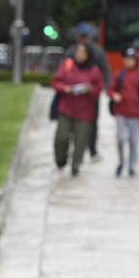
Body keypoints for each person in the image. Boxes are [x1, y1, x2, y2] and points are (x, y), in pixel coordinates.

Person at [51, 42, 103, 177]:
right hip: (66, 108)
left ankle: (75, 167)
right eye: (77, 51)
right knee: (61, 138)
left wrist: (90, 89)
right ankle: (60, 162)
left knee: (80, 142)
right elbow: (56, 82)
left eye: (82, 52)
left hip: (85, 112)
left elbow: (98, 90)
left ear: (88, 55)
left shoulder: (94, 70)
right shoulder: (67, 65)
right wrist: (65, 88)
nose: (78, 54)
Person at [66, 22, 110, 162]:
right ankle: (78, 148)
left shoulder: (97, 51)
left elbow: (105, 71)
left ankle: (91, 149)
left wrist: (102, 87)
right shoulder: (71, 52)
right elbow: (64, 71)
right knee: (74, 121)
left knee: (92, 121)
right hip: (75, 94)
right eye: (82, 36)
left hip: (91, 94)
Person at [108, 48, 139, 177]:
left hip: (135, 114)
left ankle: (131, 167)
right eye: (126, 59)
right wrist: (114, 95)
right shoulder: (119, 74)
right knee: (120, 138)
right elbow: (109, 90)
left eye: (130, 59)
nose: (128, 61)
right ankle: (121, 162)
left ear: (135, 61)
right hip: (120, 112)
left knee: (133, 141)